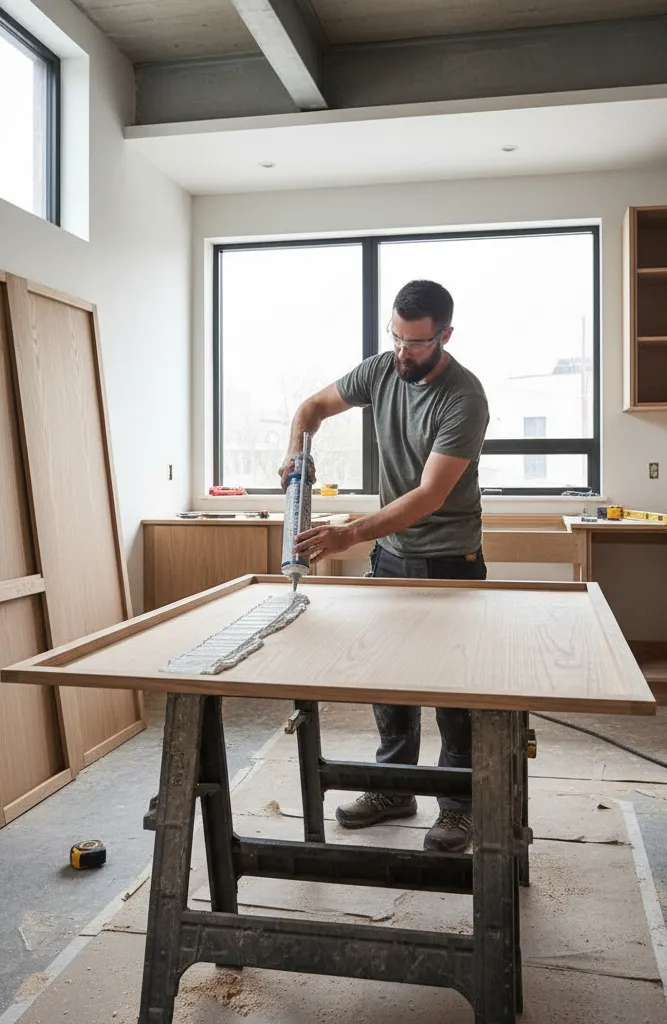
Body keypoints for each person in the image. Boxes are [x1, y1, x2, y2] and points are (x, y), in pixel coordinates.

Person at [278, 279, 489, 853]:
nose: (402, 353)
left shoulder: (464, 397)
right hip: (392, 557)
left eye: (416, 344)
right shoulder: (380, 369)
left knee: (453, 692)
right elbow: (310, 408)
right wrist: (297, 452)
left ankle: (458, 807)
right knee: (388, 681)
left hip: (449, 560)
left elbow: (427, 496)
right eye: (395, 338)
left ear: (444, 336)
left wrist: (349, 532)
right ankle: (394, 788)